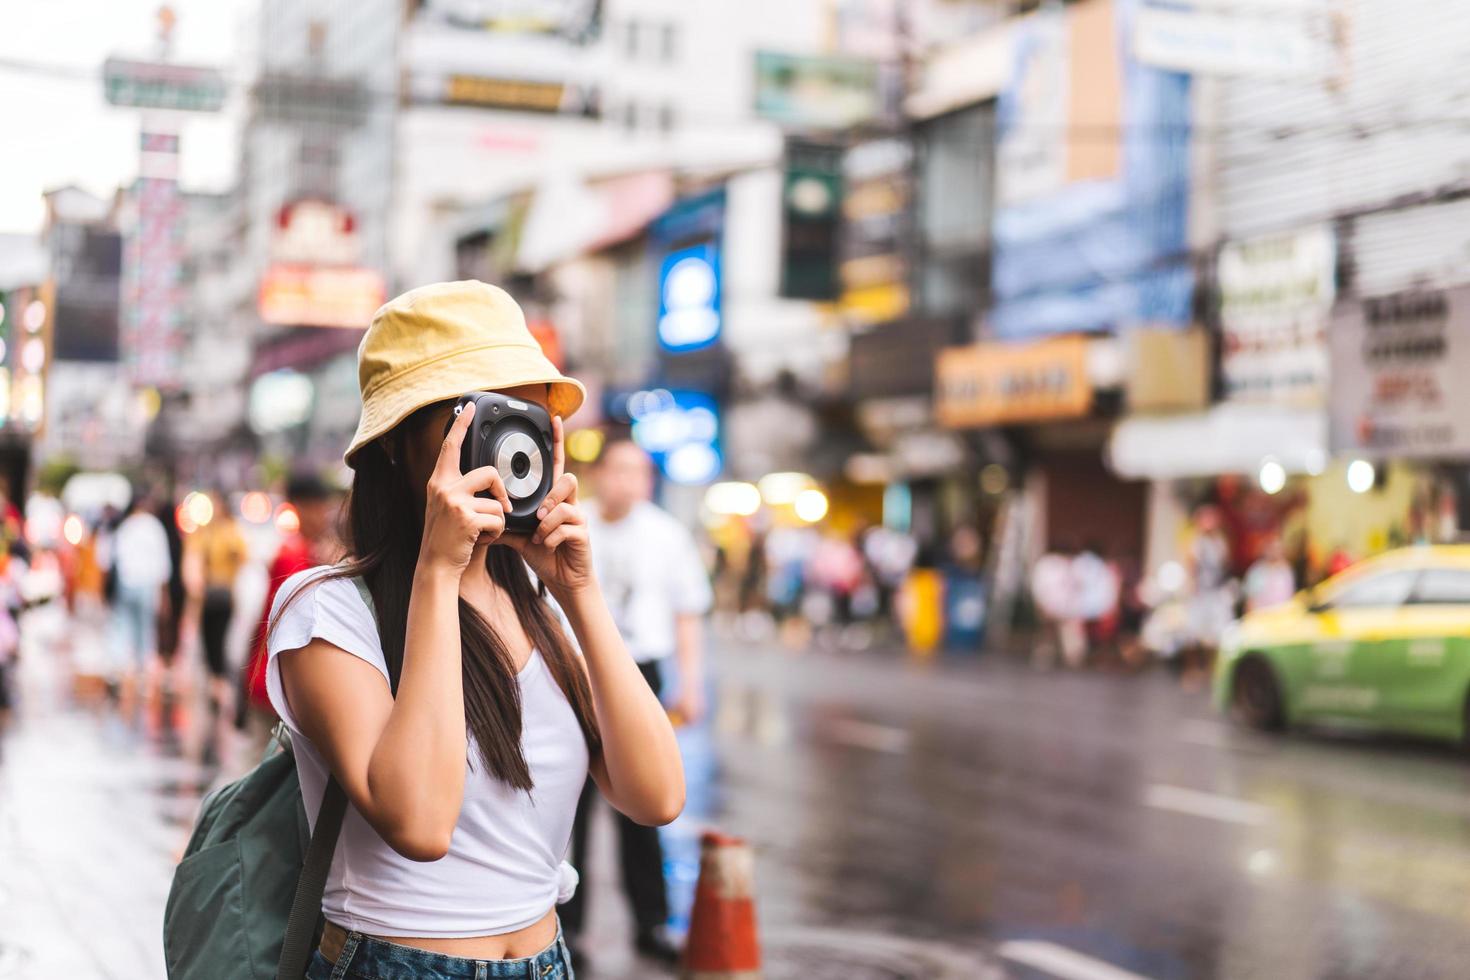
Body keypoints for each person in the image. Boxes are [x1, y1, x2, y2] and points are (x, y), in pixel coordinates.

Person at [265, 281, 683, 979]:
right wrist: (437, 572)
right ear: (400, 444)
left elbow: (656, 796)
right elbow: (421, 824)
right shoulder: (326, 611)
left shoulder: (537, 609)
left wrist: (579, 594)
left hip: (545, 961)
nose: (507, 444)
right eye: (480, 414)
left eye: (523, 414)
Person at [559, 438, 711, 964]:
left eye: (640, 472)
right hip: (573, 670)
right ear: (600, 473)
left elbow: (687, 612)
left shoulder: (666, 535)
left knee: (642, 807)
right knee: (565, 803)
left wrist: (691, 684)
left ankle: (651, 923)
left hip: (640, 672)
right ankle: (566, 927)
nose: (630, 481)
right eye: (620, 469)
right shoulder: (572, 520)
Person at [237, 472, 341, 752]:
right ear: (302, 508)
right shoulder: (294, 557)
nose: (325, 516)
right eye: (321, 508)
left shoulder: (306, 552)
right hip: (276, 685)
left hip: (276, 682)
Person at [184, 491, 249, 715]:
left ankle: (219, 684)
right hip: (207, 596)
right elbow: (192, 561)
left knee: (219, 640)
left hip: (224, 594)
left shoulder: (230, 531)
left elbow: (242, 556)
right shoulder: (203, 533)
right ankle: (215, 683)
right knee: (208, 642)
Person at [110, 491, 173, 705]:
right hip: (147, 584)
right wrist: (164, 595)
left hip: (127, 583)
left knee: (125, 628)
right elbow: (163, 564)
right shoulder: (154, 527)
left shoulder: (126, 527)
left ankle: (124, 674)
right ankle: (144, 679)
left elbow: (116, 559)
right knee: (145, 630)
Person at [1244, 537, 1296, 612]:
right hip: (1263, 616)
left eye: (1278, 548)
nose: (1276, 552)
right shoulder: (1256, 572)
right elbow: (1250, 604)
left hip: (1284, 615)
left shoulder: (1286, 569)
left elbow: (1291, 595)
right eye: (1273, 548)